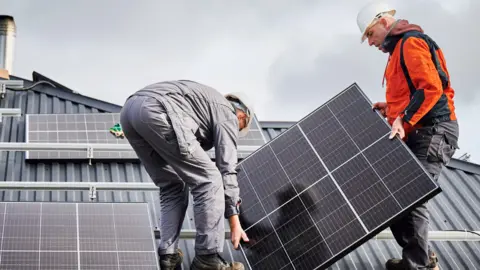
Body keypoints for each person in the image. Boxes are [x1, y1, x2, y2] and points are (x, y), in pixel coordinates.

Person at [357, 2, 460, 270]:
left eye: (370, 34)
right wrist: (390, 108)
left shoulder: (411, 42)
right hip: (419, 130)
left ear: (383, 22)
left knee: (412, 194)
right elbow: (410, 92)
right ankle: (420, 257)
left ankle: (419, 265)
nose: (370, 43)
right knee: (394, 196)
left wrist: (404, 118)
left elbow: (429, 88)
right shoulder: (397, 51)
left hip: (434, 130)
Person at [119, 80, 253, 270]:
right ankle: (207, 258)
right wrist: (234, 219)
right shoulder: (227, 112)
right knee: (210, 179)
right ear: (242, 116)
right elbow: (227, 167)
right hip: (158, 109)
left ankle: (168, 255)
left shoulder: (204, 103)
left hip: (129, 112)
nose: (235, 132)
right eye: (239, 129)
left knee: (172, 185)